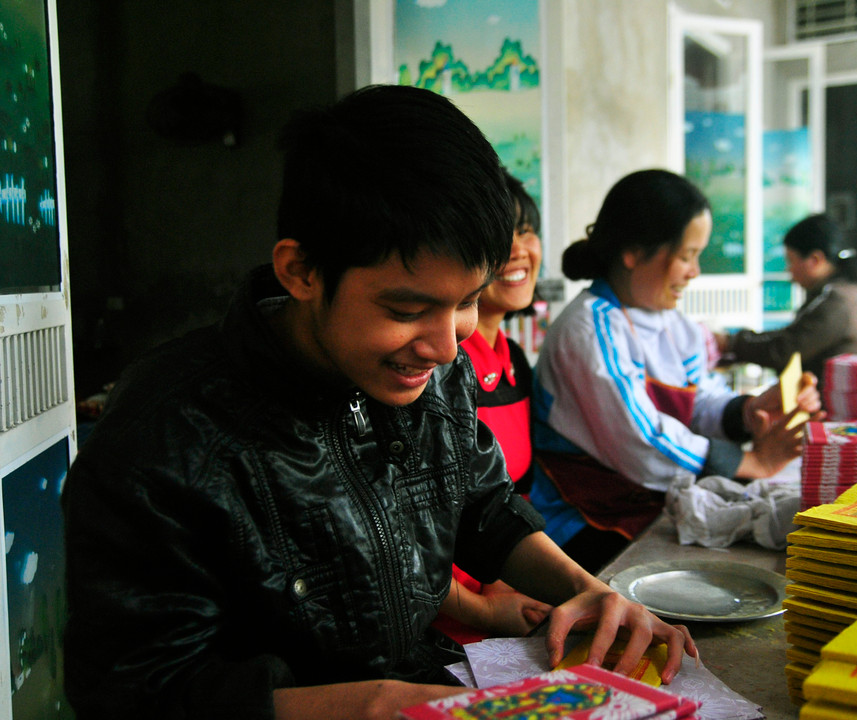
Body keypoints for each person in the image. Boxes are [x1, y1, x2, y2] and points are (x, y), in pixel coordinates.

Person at [61, 88, 697, 720]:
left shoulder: (430, 373)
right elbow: (136, 693)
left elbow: (481, 506)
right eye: (407, 309)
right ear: (302, 272)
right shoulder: (165, 435)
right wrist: (375, 702)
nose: (446, 347)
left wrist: (588, 591)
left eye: (468, 301)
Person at [530, 169, 824, 573]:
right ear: (634, 252)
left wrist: (747, 410)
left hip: (645, 502)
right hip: (583, 521)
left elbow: (699, 398)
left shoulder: (672, 324)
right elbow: (643, 440)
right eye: (686, 256)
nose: (694, 271)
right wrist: (748, 463)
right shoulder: (589, 330)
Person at [432, 171, 551, 645]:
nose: (518, 249)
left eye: (526, 230)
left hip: (508, 589)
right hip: (446, 616)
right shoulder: (434, 365)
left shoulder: (514, 359)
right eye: (501, 236)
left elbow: (511, 497)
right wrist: (483, 609)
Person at [715, 213, 857, 381]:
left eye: (791, 261)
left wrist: (730, 343)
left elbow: (785, 350)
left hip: (836, 397)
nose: (789, 270)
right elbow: (792, 335)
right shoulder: (854, 292)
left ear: (815, 260)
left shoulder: (836, 302)